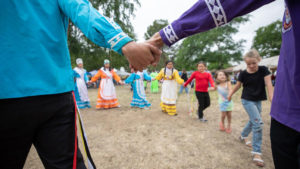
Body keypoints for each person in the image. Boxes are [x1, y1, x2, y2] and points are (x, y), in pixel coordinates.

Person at [0, 0, 161, 168]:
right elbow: (81, 9)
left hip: (35, 92)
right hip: (48, 90)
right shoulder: (92, 71)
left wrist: (125, 45)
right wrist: (123, 42)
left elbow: (81, 9)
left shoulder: (106, 71)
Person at [148, 1, 300, 168]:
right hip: (283, 112)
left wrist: (183, 81)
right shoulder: (187, 73)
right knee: (258, 123)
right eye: (168, 65)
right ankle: (195, 115)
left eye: (171, 65)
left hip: (219, 93)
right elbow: (226, 4)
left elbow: (187, 78)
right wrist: (167, 79)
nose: (170, 66)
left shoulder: (203, 73)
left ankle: (239, 132)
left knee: (244, 117)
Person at [227, 49, 273, 167]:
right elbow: (238, 86)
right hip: (247, 100)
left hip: (258, 100)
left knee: (254, 121)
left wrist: (272, 97)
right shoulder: (243, 73)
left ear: (259, 60)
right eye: (249, 64)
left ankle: (243, 135)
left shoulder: (264, 70)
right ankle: (256, 153)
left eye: (254, 63)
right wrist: (230, 94)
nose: (252, 66)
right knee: (258, 124)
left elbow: (268, 84)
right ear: (245, 63)